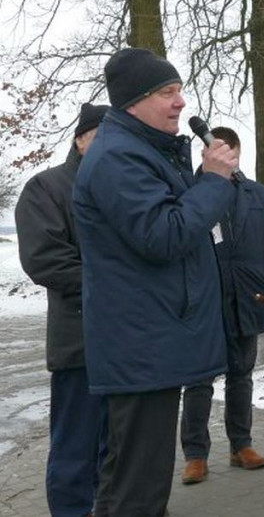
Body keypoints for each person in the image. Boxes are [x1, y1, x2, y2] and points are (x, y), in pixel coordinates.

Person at [72, 48, 238, 516]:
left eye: (180, 89)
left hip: (151, 342)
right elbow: (163, 235)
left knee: (129, 479)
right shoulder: (118, 157)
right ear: (133, 102)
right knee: (138, 489)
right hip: (143, 345)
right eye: (167, 92)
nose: (180, 101)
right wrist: (213, 181)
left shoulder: (140, 150)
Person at [15, 102, 109, 517]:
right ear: (81, 139)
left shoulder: (125, 189)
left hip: (132, 347)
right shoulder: (46, 188)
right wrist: (120, 287)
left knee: (119, 449)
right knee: (75, 448)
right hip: (81, 344)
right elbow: (45, 261)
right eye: (102, 136)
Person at [179, 126, 264, 485]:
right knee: (198, 382)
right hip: (205, 304)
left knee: (241, 377)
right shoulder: (190, 192)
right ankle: (195, 455)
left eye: (232, 151)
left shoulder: (257, 194)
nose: (227, 158)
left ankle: (241, 446)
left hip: (249, 299)